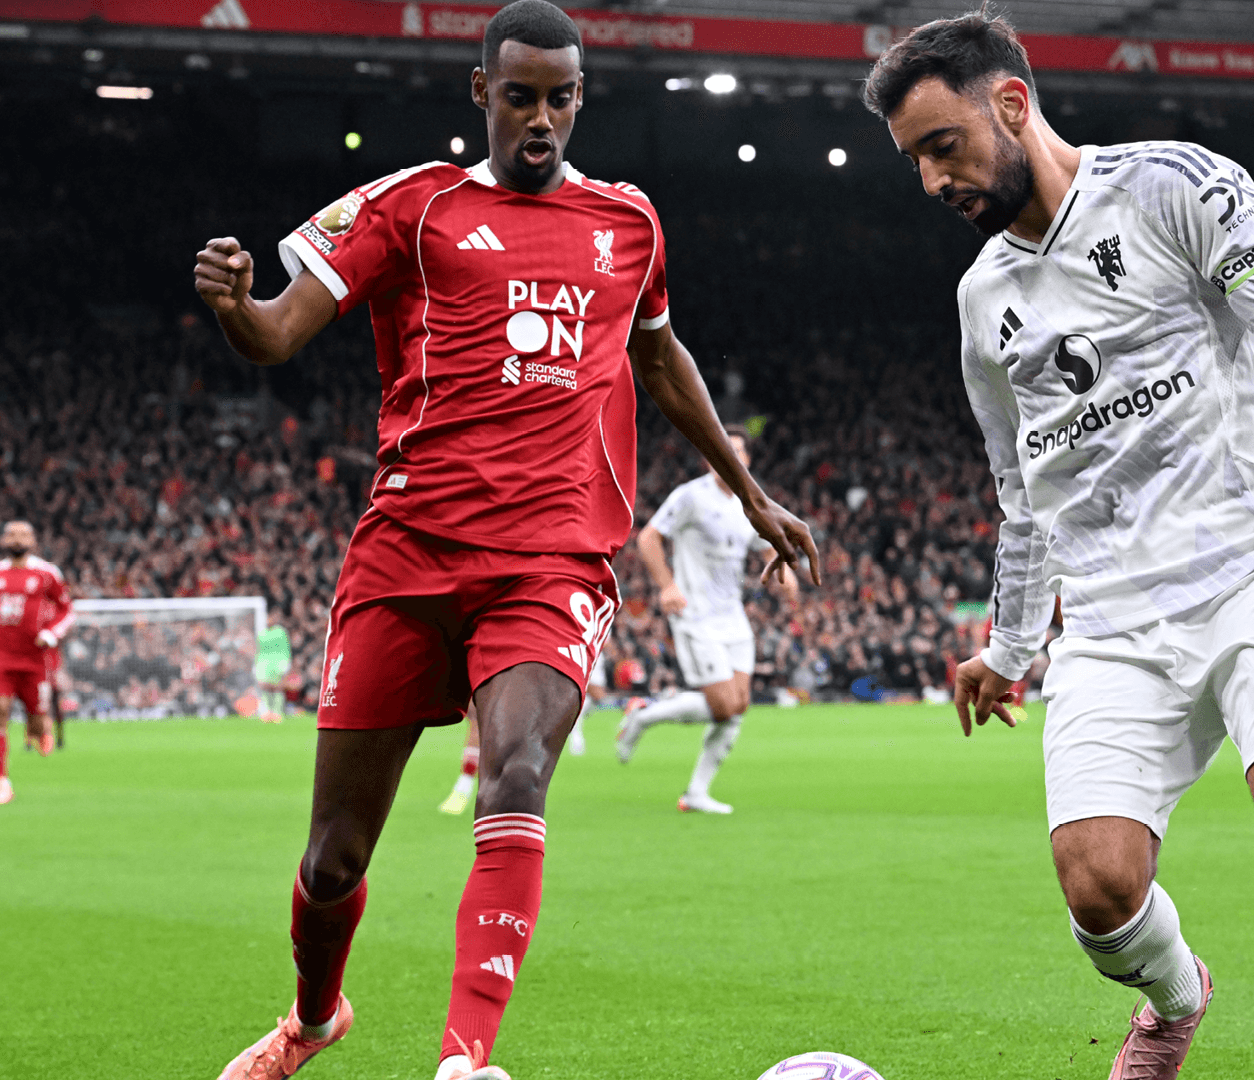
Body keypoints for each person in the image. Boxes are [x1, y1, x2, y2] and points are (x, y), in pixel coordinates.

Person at [192, 4, 819, 1078]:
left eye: (560, 98)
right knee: (334, 856)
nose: (541, 118)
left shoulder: (630, 223)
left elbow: (661, 359)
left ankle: (464, 1061)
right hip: (407, 553)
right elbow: (278, 333)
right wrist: (235, 307)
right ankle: (314, 1018)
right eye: (520, 96)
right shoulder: (412, 207)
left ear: (580, 99)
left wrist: (750, 491)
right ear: (482, 91)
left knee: (517, 771)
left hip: (552, 559)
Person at [864, 12, 1254, 1080]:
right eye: (916, 162)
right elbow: (1021, 492)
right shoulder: (983, 299)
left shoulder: (1173, 185)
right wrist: (1009, 646)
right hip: (1112, 619)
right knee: (1099, 891)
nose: (934, 180)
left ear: (1011, 104)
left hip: (1250, 573)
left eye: (944, 146)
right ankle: (1178, 999)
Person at [615, 424, 791, 814]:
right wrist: (667, 586)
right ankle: (643, 716)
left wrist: (785, 574)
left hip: (733, 618)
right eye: (722, 449)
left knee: (738, 706)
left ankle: (696, 793)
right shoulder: (691, 496)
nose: (730, 456)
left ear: (747, 460)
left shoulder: (749, 503)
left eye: (738, 451)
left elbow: (766, 547)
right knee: (724, 706)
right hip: (695, 615)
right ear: (710, 456)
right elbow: (648, 537)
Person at [0, 520, 73, 804]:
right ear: (3, 540)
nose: (17, 539)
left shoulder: (47, 574)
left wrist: (51, 633)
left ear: (33, 541)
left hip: (35, 657)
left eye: (23, 534)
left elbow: (66, 610)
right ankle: (0, 781)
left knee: (37, 719)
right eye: (11, 534)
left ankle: (38, 729)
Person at [256, 608, 292, 724]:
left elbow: (285, 649)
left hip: (278, 664)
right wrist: (257, 665)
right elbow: (260, 651)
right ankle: (266, 712)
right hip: (264, 665)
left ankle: (277, 712)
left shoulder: (280, 632)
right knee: (264, 687)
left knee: (277, 687)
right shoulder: (262, 633)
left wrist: (286, 664)